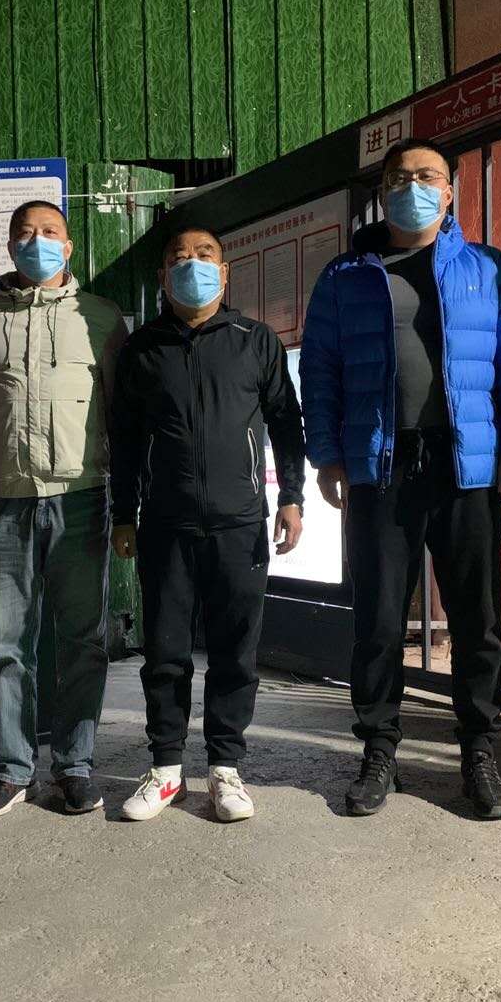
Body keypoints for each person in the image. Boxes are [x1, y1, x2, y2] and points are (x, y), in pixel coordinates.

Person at [300, 137, 501, 820]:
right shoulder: (345, 274)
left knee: (477, 619)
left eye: (426, 175)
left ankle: (479, 752)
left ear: (450, 188)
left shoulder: (487, 268)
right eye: (399, 177)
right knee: (379, 621)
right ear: (383, 190)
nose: (413, 186)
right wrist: (327, 454)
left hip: (466, 468)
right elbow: (319, 368)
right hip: (382, 467)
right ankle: (379, 751)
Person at [109, 227, 306, 822]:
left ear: (224, 272)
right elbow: (125, 439)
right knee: (165, 651)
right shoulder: (142, 348)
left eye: (204, 256)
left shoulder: (255, 341)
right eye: (178, 258)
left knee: (234, 651)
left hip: (238, 523)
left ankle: (225, 768)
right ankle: (167, 768)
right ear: (162, 277)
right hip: (164, 524)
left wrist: (291, 498)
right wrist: (124, 514)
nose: (190, 265)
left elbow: (285, 423)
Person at [0, 200, 129, 818]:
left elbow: (118, 411)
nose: (38, 242)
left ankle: (76, 765)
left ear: (70, 245)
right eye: (25, 233)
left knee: (83, 638)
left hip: (81, 498)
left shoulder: (101, 317)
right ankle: (12, 769)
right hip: (7, 501)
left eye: (50, 232)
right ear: (9, 246)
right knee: (6, 644)